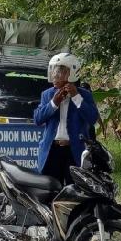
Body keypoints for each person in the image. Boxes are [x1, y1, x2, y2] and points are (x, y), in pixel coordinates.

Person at [34, 53, 99, 185]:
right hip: (52, 151)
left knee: (74, 191)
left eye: (61, 71)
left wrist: (76, 97)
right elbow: (37, 119)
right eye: (54, 71)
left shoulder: (84, 95)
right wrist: (53, 103)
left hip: (74, 151)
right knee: (50, 189)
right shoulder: (47, 94)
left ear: (72, 73)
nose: (55, 75)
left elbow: (92, 118)